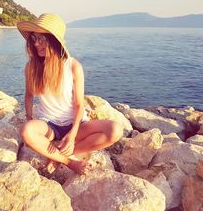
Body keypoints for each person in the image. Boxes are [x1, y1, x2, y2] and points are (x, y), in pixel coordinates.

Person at [17, 13, 123, 175]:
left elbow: (79, 105)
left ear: (54, 41)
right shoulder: (31, 67)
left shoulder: (73, 66)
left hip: (76, 125)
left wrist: (72, 135)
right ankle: (68, 161)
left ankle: (57, 155)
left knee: (115, 130)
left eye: (42, 39)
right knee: (26, 131)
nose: (37, 44)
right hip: (49, 125)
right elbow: (29, 96)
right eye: (34, 38)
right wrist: (30, 118)